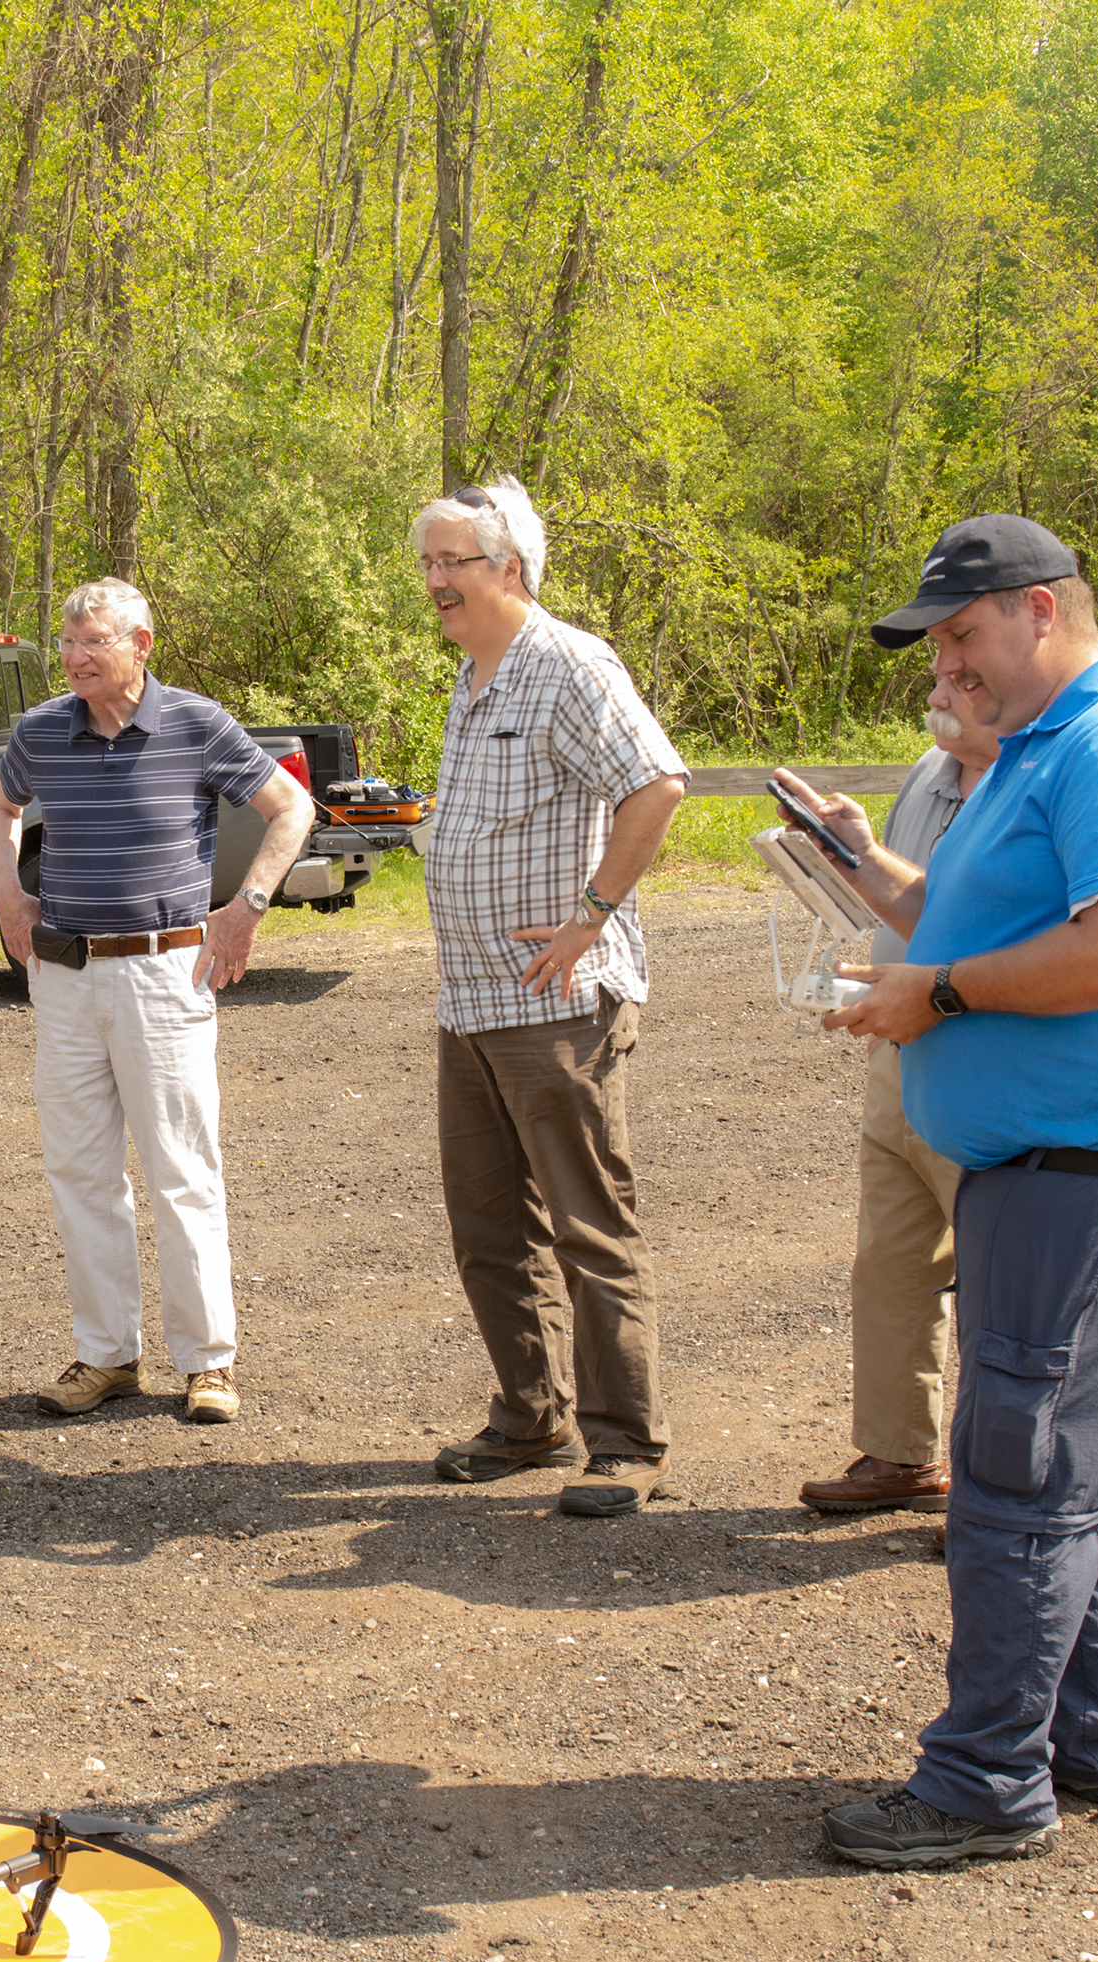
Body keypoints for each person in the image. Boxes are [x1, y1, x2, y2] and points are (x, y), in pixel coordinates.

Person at [803, 514, 1098, 1869]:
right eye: (939, 641)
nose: (950, 662)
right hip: (1053, 1170)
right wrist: (867, 878)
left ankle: (989, 1777)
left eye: (963, 634)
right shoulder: (1041, 750)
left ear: (1042, 612)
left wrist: (940, 994)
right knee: (1082, 1457)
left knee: (1018, 1464)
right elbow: (979, 922)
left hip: (1086, 1174)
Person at [412, 478, 690, 1517]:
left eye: (455, 564)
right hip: (471, 1003)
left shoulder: (568, 663)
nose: (437, 583)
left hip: (557, 1003)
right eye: (429, 565)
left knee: (587, 1224)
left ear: (511, 570)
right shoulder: (475, 675)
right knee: (487, 1227)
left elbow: (657, 783)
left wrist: (592, 911)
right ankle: (532, 1417)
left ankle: (626, 1443)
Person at [0, 576, 312, 1428]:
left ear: (141, 645)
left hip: (166, 974)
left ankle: (208, 1364)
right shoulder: (44, 731)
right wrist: (9, 891)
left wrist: (248, 907)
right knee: (81, 1171)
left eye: (93, 642)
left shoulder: (195, 724)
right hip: (62, 976)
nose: (75, 657)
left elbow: (291, 808)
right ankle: (106, 1357)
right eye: (68, 641)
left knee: (180, 1170)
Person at [796, 668, 996, 1514]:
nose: (940, 692)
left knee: (997, 1277)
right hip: (897, 1040)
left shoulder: (1029, 789)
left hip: (983, 1048)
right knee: (892, 1258)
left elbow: (994, 931)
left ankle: (999, 1493)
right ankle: (901, 1455)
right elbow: (898, 898)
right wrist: (843, 849)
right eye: (939, 675)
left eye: (963, 677)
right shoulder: (927, 770)